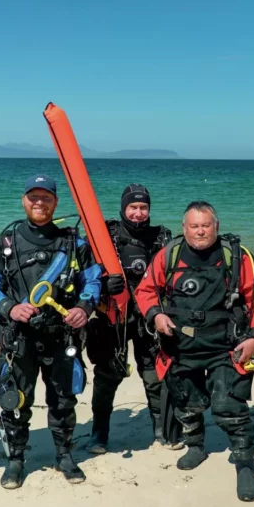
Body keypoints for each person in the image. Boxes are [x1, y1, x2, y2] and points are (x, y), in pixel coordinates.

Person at [134, 201, 254, 502]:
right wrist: (156, 315)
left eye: (206, 225)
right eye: (194, 226)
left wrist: (253, 339)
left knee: (228, 406)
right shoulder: (167, 255)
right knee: (187, 403)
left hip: (226, 346)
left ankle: (245, 462)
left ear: (216, 226)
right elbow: (144, 291)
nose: (200, 231)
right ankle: (195, 445)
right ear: (184, 228)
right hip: (180, 347)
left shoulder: (236, 256)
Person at [0, 174, 102, 490]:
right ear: (24, 200)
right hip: (19, 337)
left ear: (55, 202)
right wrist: (9, 307)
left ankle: (64, 455)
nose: (39, 202)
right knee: (17, 400)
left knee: (63, 399)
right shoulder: (6, 243)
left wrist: (83, 309)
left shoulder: (74, 244)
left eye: (46, 197)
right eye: (33, 196)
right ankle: (16, 460)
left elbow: (93, 282)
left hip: (61, 336)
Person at [85, 184, 181, 453]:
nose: (138, 213)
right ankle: (99, 434)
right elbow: (85, 273)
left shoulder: (161, 237)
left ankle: (162, 430)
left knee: (153, 375)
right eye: (133, 207)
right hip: (113, 316)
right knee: (106, 375)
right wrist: (105, 285)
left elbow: (172, 278)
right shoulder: (106, 235)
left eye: (143, 208)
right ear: (123, 208)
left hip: (148, 318)